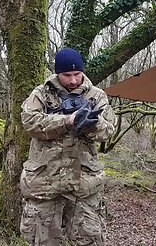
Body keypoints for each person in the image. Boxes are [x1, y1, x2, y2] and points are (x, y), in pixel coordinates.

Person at [19, 47, 116, 245]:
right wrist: (67, 121)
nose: (72, 80)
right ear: (57, 73)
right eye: (66, 75)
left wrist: (91, 123)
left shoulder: (96, 96)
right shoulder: (41, 94)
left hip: (84, 183)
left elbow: (108, 131)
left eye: (77, 74)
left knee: (90, 239)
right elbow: (30, 122)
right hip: (45, 181)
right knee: (41, 240)